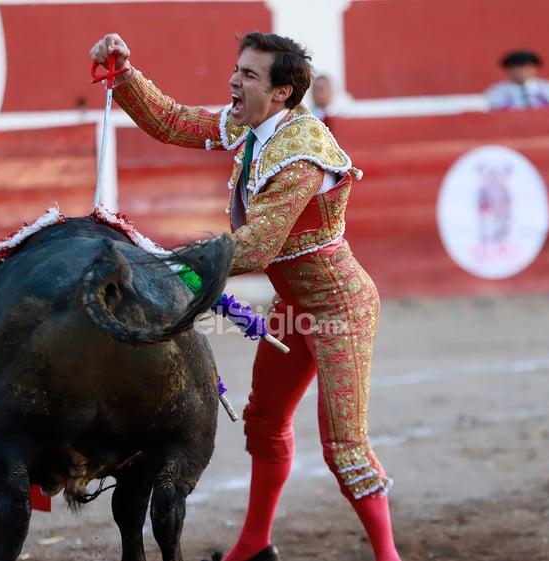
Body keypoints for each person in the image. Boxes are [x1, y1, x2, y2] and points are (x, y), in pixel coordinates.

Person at [89, 32, 401, 561]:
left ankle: (389, 558)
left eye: (249, 75)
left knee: (344, 446)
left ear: (282, 92)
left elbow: (257, 247)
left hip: (339, 308)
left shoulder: (303, 153)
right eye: (237, 70)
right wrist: (123, 76)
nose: (234, 80)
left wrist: (173, 268)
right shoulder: (250, 125)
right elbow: (172, 121)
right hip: (294, 306)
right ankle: (253, 546)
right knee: (262, 420)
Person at [485, 49, 549, 110]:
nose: (523, 72)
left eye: (528, 67)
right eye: (518, 68)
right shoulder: (497, 92)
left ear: (535, 69)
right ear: (509, 70)